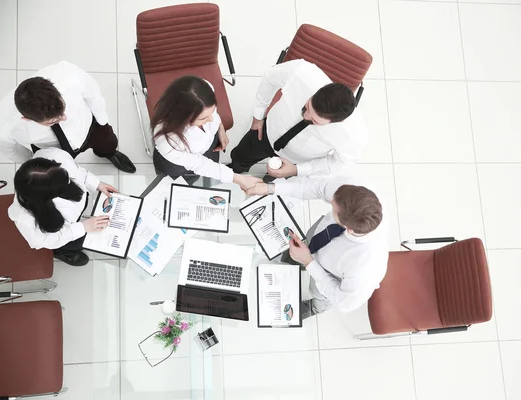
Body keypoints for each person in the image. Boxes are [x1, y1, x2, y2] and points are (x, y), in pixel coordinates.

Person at [245, 177, 387, 319]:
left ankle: (314, 308)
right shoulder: (359, 197)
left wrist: (308, 262)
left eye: (333, 208)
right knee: (299, 252)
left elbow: (343, 301)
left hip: (329, 276)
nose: (330, 202)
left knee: (320, 298)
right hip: (315, 241)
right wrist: (270, 189)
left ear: (348, 228)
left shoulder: (364, 267)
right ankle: (294, 260)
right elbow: (320, 187)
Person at [228, 59, 368, 180]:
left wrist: (297, 170)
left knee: (274, 180)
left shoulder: (353, 134)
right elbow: (269, 78)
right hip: (267, 131)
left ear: (338, 122)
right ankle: (235, 169)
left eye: (314, 121)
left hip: (297, 161)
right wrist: (258, 117)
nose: (305, 116)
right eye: (307, 106)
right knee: (240, 156)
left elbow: (340, 163)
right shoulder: (301, 72)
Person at [0, 61, 136, 173]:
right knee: (62, 173)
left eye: (63, 110)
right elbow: (13, 151)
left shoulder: (68, 74)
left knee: (108, 142)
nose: (64, 118)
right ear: (26, 118)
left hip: (87, 125)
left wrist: (102, 122)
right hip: (52, 147)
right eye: (54, 121)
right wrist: (39, 163)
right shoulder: (1, 127)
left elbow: (94, 96)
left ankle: (109, 153)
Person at [9, 148, 116, 267]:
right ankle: (61, 252)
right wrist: (82, 227)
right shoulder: (25, 219)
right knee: (80, 242)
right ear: (48, 197)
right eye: (65, 182)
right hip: (64, 233)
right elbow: (46, 240)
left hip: (81, 213)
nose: (70, 180)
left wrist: (97, 184)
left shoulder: (54, 155)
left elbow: (78, 171)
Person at [152, 75, 261, 190]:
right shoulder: (167, 140)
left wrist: (221, 129)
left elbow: (214, 115)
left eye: (211, 113)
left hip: (208, 149)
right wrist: (239, 179)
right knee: (183, 187)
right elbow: (200, 164)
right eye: (203, 119)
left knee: (208, 176)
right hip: (177, 166)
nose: (211, 120)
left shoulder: (204, 90)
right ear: (182, 117)